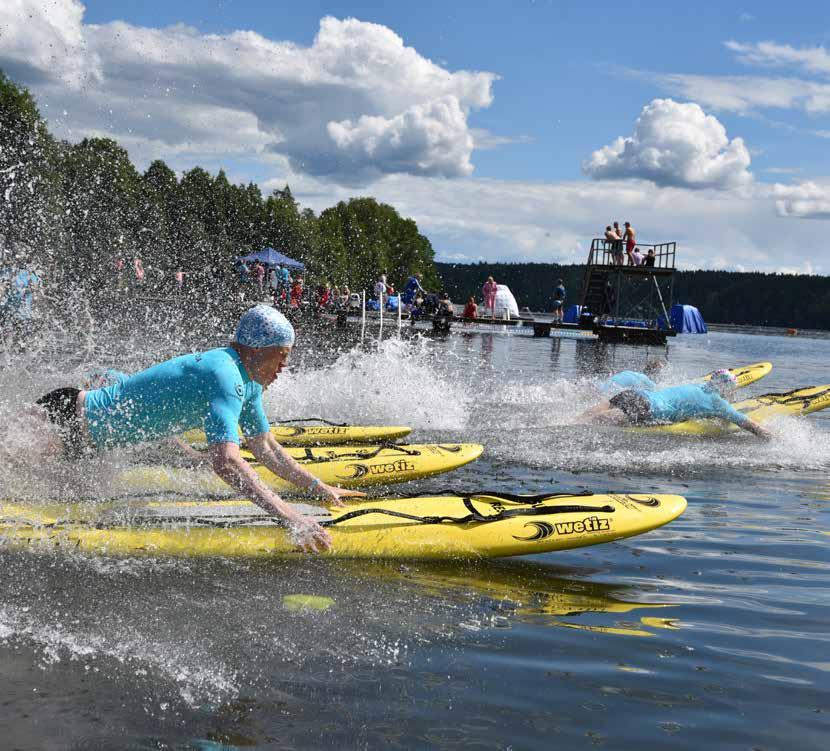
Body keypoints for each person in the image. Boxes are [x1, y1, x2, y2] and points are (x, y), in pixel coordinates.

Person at [29, 305, 364, 552]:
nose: (285, 366)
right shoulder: (225, 376)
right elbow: (227, 462)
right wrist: (292, 518)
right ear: (258, 350)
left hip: (87, 443)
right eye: (282, 355)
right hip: (64, 418)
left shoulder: (248, 383)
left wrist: (319, 488)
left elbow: (266, 447)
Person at [582, 369, 771, 438]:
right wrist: (772, 437)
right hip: (650, 408)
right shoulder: (718, 403)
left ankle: (573, 419)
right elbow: (750, 425)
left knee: (594, 413)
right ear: (726, 390)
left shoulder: (697, 385)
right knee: (595, 422)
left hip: (635, 394)